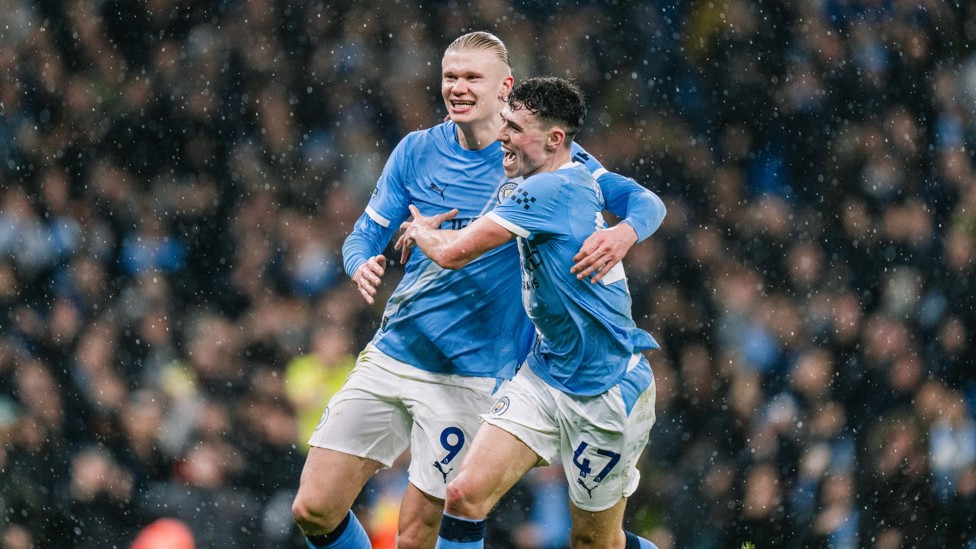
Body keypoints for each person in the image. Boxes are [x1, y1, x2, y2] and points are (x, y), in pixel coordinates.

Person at [291, 32, 666, 549]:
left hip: (473, 373)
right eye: (450, 76)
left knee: (428, 529)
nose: (458, 87)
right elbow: (365, 233)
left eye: (472, 77)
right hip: (396, 350)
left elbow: (642, 200)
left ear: (505, 88)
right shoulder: (417, 151)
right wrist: (360, 264)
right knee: (312, 508)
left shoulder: (547, 158)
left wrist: (625, 232)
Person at [398, 76, 660, 549]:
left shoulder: (546, 191)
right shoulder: (569, 171)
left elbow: (454, 252)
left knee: (594, 542)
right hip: (544, 375)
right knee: (463, 494)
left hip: (606, 390)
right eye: (504, 123)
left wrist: (419, 231)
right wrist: (627, 233)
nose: (503, 136)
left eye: (515, 128)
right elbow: (645, 201)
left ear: (554, 139)